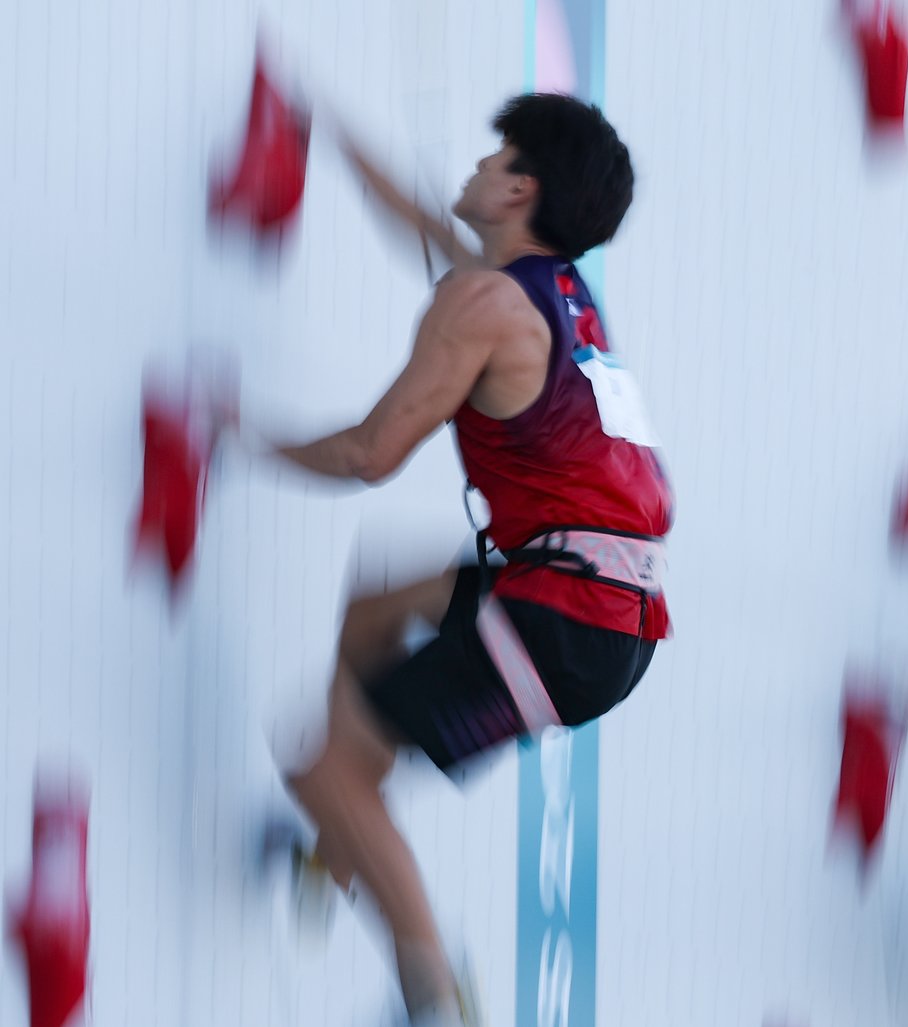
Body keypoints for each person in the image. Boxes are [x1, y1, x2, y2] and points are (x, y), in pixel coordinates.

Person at [268, 93, 672, 1027]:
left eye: (496, 158)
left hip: (571, 620)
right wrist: (333, 133)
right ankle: (346, 836)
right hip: (596, 600)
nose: (477, 166)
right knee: (377, 605)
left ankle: (437, 996)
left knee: (317, 767)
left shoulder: (489, 302)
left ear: (519, 186)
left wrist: (244, 439)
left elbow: (371, 455)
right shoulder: (552, 290)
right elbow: (427, 228)